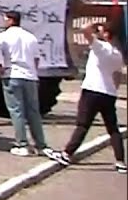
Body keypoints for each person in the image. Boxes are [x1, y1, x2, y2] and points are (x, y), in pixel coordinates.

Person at [51, 21, 125, 173]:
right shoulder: (117, 54)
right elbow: (117, 75)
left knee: (83, 124)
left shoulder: (101, 47)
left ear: (106, 34)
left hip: (92, 90)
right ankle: (120, 161)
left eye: (101, 31)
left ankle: (67, 153)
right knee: (113, 128)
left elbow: (85, 30)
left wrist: (95, 25)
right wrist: (113, 89)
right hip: (108, 93)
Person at [0, 9, 55, 157]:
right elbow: (36, 58)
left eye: (5, 19)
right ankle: (41, 144)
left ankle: (22, 144)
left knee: (16, 111)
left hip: (12, 74)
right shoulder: (30, 37)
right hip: (30, 76)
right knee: (33, 112)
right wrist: (33, 71)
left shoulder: (4, 36)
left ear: (11, 20)